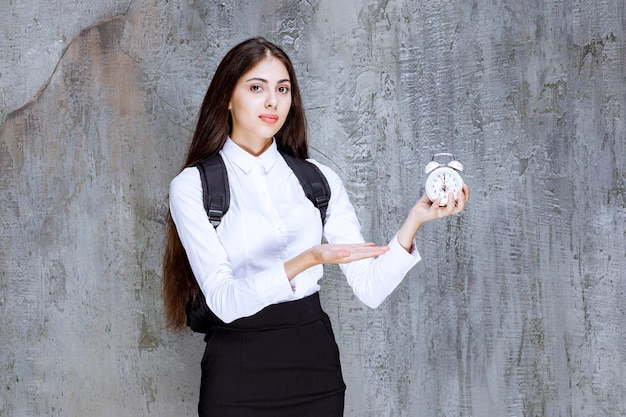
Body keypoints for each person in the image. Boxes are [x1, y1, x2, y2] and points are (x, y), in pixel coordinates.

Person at [162, 37, 469, 417]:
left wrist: (416, 220)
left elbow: (370, 288)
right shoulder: (194, 186)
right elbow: (224, 301)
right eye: (257, 88)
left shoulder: (318, 180)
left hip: (313, 363)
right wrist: (309, 258)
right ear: (227, 96)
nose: (273, 101)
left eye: (283, 89)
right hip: (237, 370)